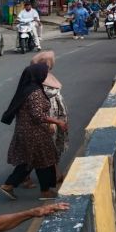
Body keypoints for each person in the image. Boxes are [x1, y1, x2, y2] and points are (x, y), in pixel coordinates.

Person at [0, 63, 67, 200]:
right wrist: (57, 121)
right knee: (45, 161)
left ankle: (9, 185)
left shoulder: (28, 89)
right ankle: (45, 192)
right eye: (44, 73)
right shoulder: (35, 92)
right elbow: (37, 115)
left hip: (26, 131)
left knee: (31, 160)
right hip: (35, 133)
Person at [31, 51, 69, 186]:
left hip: (56, 117)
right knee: (49, 148)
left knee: (52, 148)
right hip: (49, 119)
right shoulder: (39, 83)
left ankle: (24, 177)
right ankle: (55, 175)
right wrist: (51, 122)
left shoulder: (46, 77)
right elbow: (41, 108)